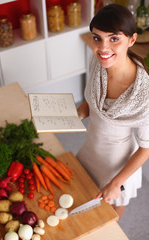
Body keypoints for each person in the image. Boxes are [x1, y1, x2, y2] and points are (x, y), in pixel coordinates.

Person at [76, 3, 149, 219]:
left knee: (112, 212)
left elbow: (145, 149)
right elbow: (91, 103)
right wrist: (77, 115)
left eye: (114, 38)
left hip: (118, 167)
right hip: (90, 152)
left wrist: (116, 182)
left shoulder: (144, 95)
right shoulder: (97, 63)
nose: (103, 48)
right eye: (97, 38)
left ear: (132, 40)